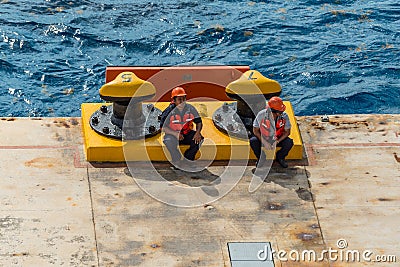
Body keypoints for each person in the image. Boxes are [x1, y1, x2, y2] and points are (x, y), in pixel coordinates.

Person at [160, 87, 203, 168]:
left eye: (183, 99)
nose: (182, 102)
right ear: (174, 100)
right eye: (179, 99)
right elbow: (162, 127)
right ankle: (176, 159)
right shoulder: (168, 111)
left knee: (199, 140)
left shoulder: (190, 109)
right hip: (173, 135)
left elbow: (199, 122)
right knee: (168, 141)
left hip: (187, 133)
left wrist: (197, 133)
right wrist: (175, 134)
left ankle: (188, 158)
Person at [250, 96, 294, 168]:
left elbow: (287, 132)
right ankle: (261, 158)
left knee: (289, 143)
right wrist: (265, 142)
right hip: (264, 137)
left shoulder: (284, 116)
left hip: (277, 138)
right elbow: (255, 131)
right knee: (253, 141)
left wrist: (277, 141)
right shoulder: (261, 115)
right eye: (280, 111)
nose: (282, 113)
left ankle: (280, 157)